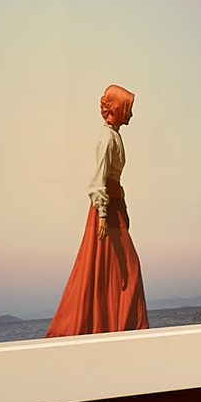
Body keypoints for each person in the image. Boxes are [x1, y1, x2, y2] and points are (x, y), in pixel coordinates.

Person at [46, 83, 152, 335]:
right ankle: (120, 325)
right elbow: (98, 179)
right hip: (106, 210)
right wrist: (103, 214)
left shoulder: (115, 135)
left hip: (114, 207)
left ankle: (117, 326)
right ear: (117, 109)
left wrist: (121, 208)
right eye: (128, 108)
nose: (131, 114)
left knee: (117, 268)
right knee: (124, 267)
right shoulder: (106, 138)